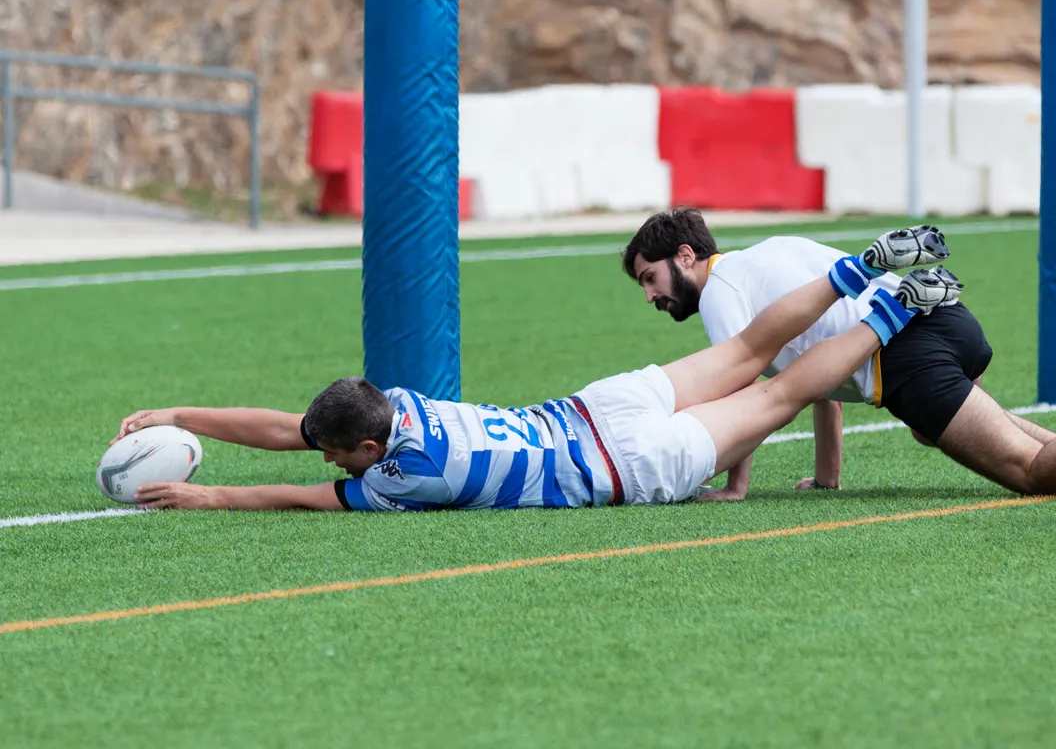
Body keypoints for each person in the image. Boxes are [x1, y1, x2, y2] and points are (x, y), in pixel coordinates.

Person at [111, 227, 965, 512]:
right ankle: (863, 270)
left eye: (338, 457)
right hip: (592, 408)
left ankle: (898, 307)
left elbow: (288, 489)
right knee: (744, 357)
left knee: (777, 389)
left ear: (370, 452)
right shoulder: (399, 406)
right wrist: (178, 414)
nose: (329, 462)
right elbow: (292, 436)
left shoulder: (409, 478)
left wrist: (205, 492)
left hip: (625, 467)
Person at [620, 207, 1056, 501]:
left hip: (899, 349)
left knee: (1032, 477)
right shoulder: (767, 254)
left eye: (650, 278)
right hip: (942, 314)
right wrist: (827, 478)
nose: (650, 296)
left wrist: (735, 487)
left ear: (687, 255)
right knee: (938, 428)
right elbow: (823, 388)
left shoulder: (719, 294)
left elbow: (743, 392)